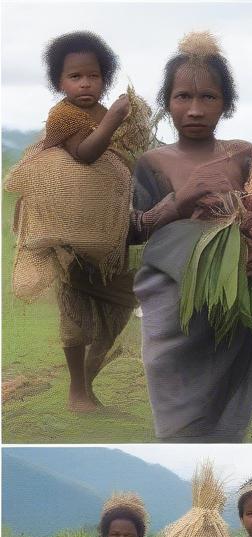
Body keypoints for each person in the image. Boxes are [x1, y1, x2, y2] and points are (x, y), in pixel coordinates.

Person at [130, 31, 252, 442]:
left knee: (226, 401)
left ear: (226, 103)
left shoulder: (242, 154)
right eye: (182, 97)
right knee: (174, 402)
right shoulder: (151, 162)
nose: (194, 109)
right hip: (173, 302)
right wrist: (181, 199)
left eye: (208, 97)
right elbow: (131, 230)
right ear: (166, 102)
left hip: (236, 297)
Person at [6, 31, 150, 412]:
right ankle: (77, 392)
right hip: (68, 240)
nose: (85, 83)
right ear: (59, 82)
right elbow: (85, 155)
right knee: (75, 314)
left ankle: (86, 384)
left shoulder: (104, 114)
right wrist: (115, 120)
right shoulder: (63, 115)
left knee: (121, 306)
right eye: (75, 76)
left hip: (105, 239)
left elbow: (121, 158)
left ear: (105, 78)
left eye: (94, 76)